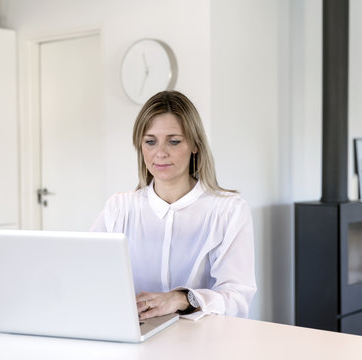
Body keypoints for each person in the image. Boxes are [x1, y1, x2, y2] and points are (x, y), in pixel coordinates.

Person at [91, 90, 256, 320]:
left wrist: (181, 299)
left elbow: (237, 298)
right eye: (150, 141)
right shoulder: (119, 208)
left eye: (174, 141)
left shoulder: (228, 210)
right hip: (135, 338)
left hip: (202, 342)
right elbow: (88, 275)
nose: (160, 153)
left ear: (195, 145)